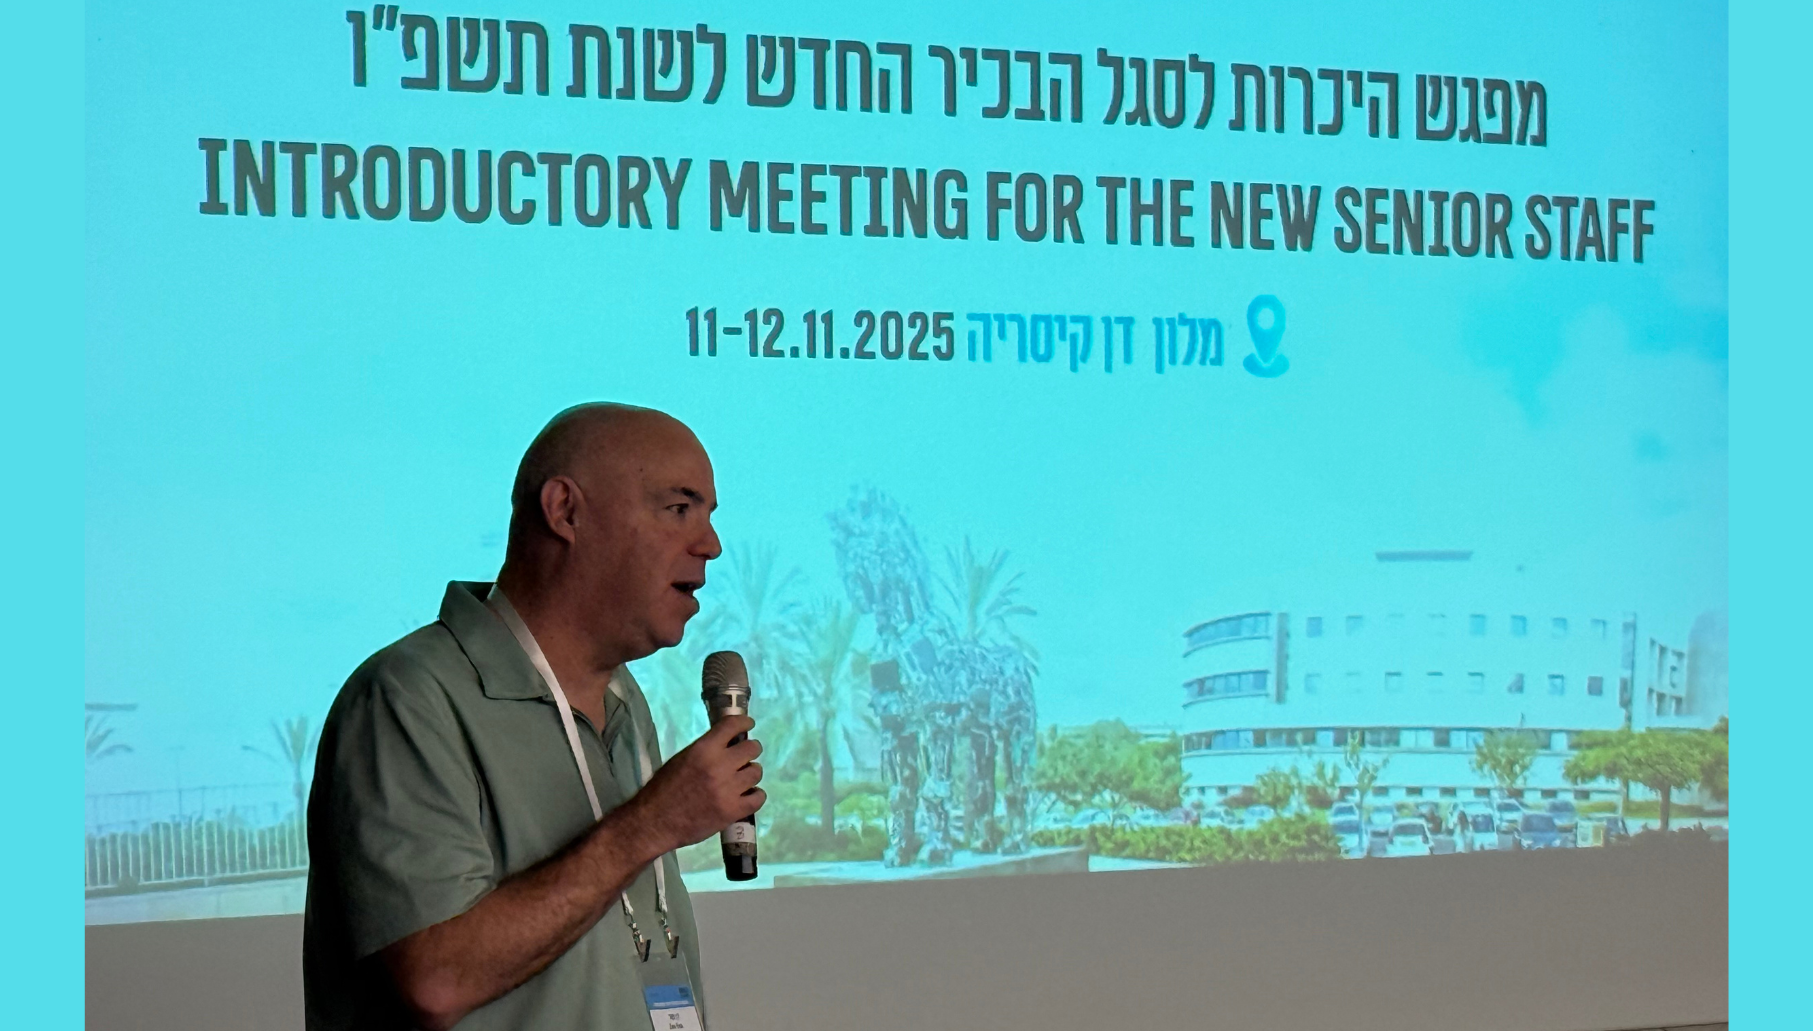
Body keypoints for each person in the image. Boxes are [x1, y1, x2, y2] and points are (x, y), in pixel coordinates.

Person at [304, 403, 765, 1030]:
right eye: (679, 508)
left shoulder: (625, 702)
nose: (710, 544)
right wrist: (650, 824)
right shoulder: (407, 698)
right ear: (565, 511)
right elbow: (436, 980)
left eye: (709, 515)